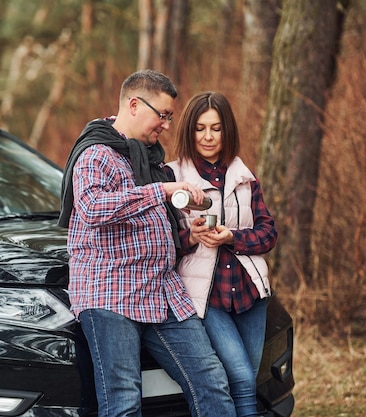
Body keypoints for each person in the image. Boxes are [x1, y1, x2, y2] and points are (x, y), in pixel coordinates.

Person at [59, 71, 236, 417]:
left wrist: (189, 226)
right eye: (163, 115)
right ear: (135, 105)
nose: (167, 125)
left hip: (161, 289)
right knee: (123, 401)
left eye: (170, 117)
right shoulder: (96, 153)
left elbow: (155, 225)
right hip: (109, 292)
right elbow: (93, 208)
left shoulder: (150, 159)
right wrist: (163, 191)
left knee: (211, 380)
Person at [165, 91, 278, 417]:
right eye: (200, 128)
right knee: (240, 379)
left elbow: (268, 233)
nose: (208, 137)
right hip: (206, 296)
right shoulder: (173, 177)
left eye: (216, 128)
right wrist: (191, 236)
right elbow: (163, 241)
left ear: (227, 130)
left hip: (249, 293)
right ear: (189, 131)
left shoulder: (244, 176)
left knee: (248, 380)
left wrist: (233, 236)